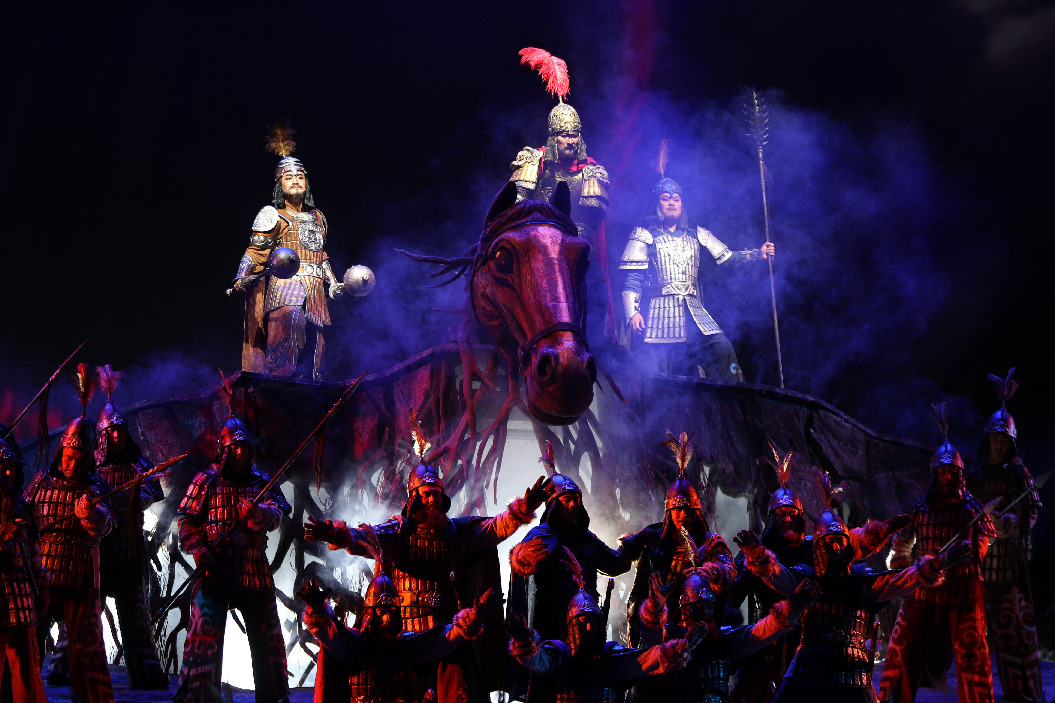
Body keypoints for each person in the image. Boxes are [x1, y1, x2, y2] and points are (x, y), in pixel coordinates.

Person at [304, 458, 547, 703]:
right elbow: (365, 538)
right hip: (405, 639)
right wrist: (336, 534)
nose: (432, 500)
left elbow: (495, 527)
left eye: (436, 494)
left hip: (447, 637)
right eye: (426, 494)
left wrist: (524, 508)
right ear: (414, 498)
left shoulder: (459, 533)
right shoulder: (399, 533)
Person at [879, 404, 996, 703]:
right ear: (934, 473)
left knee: (972, 655)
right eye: (942, 471)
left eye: (952, 471)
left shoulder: (972, 509)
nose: (947, 476)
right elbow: (902, 544)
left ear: (960, 475)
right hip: (924, 584)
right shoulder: (920, 508)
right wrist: (907, 569)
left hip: (963, 586)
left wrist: (971, 551)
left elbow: (984, 541)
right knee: (904, 648)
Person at [173, 412, 292, 703]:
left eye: (244, 447)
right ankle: (199, 697)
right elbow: (186, 520)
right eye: (234, 447)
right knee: (203, 640)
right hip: (215, 569)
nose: (240, 452)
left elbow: (277, 513)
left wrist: (259, 513)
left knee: (268, 641)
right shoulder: (206, 480)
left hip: (253, 568)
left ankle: (274, 697)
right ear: (224, 449)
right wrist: (199, 550)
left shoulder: (261, 482)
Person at [619, 177, 774, 381]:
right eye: (665, 198)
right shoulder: (644, 236)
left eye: (676, 199)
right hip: (660, 315)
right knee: (662, 377)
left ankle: (731, 398)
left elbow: (727, 257)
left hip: (693, 313)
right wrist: (633, 314)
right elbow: (633, 280)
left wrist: (756, 254)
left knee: (723, 348)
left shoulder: (697, 235)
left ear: (682, 204)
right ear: (657, 204)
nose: (672, 203)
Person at [23, 371, 116, 703]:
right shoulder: (40, 484)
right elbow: (23, 521)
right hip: (41, 577)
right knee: (27, 648)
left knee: (85, 653)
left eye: (78, 458)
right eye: (68, 457)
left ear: (88, 458)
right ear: (60, 453)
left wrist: (91, 515)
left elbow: (106, 526)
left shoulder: (96, 488)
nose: (72, 464)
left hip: (78, 578)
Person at [505, 549, 703, 703]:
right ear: (571, 626)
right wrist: (524, 642)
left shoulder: (612, 658)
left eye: (592, 622)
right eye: (583, 622)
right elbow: (536, 659)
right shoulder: (559, 656)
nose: (588, 629)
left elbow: (649, 659)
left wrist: (679, 649)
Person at [233, 123, 344, 380]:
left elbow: (321, 255)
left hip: (315, 290)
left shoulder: (317, 217)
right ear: (279, 184)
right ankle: (277, 386)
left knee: (316, 350)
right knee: (288, 342)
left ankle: (313, 389)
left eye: (300, 176)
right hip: (286, 289)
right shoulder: (274, 215)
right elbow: (255, 252)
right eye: (289, 177)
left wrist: (334, 283)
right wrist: (240, 277)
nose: (295, 180)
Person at [298, 574, 503, 703]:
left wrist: (475, 615)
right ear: (370, 613)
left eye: (391, 612)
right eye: (381, 612)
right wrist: (316, 609)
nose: (387, 618)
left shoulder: (405, 646)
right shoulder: (354, 644)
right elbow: (328, 632)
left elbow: (445, 637)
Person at [966, 369, 1044, 702]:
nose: (998, 444)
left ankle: (1021, 691)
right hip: (976, 562)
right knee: (972, 632)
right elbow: (964, 510)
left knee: (1013, 631)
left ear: (1010, 443)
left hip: (1007, 564)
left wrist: (1012, 521)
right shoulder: (973, 474)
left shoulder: (1018, 472)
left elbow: (1032, 509)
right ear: (987, 440)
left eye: (1003, 440)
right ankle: (975, 690)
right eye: (994, 439)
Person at [91, 364, 168, 689]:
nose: (117, 435)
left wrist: (133, 495)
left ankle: (145, 673)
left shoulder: (138, 465)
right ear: (102, 435)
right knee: (85, 620)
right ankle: (73, 670)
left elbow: (151, 493)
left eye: (120, 430)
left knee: (136, 619)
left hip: (130, 551)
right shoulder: (90, 466)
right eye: (111, 431)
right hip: (97, 552)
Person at [633, 569, 817, 703]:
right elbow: (652, 637)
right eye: (698, 606)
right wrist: (655, 606)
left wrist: (790, 609)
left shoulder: (723, 639)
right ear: (686, 609)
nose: (705, 612)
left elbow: (761, 631)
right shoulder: (670, 636)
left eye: (708, 606)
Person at [623, 432, 736, 648]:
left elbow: (729, 571)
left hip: (703, 632)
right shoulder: (655, 543)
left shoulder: (710, 543)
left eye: (687, 509)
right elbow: (638, 595)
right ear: (669, 512)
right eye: (677, 510)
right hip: (663, 634)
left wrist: (710, 571)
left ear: (696, 511)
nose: (683, 515)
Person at [726, 450, 814, 703]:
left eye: (791, 513)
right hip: (763, 640)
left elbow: (808, 583)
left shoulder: (811, 550)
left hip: (804, 641)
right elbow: (734, 593)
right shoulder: (757, 549)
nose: (786, 518)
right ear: (772, 516)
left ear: (799, 516)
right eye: (780, 513)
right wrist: (730, 627)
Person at [508, 472, 636, 643]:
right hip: (553, 629)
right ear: (554, 504)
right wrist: (522, 557)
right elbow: (521, 567)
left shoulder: (586, 538)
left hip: (588, 627)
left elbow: (614, 563)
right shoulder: (540, 535)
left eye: (576, 499)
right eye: (567, 499)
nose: (574, 504)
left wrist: (633, 543)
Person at [0, 432, 49, 703]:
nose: (7, 473)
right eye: (1, 467)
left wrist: (40, 585)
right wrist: (4, 539)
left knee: (27, 671)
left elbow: (33, 554)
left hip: (20, 595)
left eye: (10, 467)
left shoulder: (23, 508)